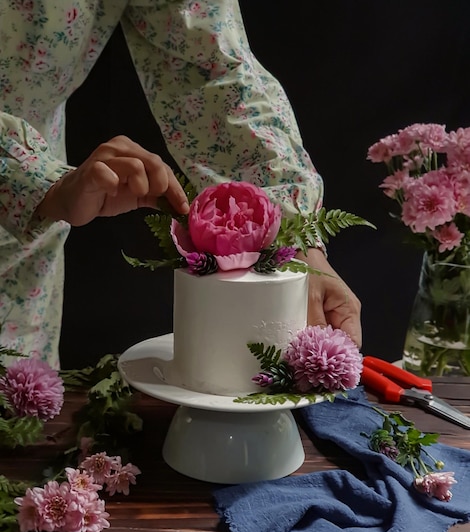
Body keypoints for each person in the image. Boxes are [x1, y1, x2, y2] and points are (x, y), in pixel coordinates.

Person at [0, 1, 361, 368]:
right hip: (38, 194)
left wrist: (295, 235)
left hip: (20, 260)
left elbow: (213, 64)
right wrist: (33, 179)